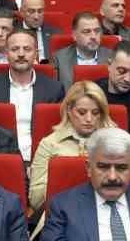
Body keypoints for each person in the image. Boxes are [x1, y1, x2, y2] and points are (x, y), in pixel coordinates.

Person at [29, 80, 117, 216]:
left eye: (95, 113)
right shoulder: (50, 144)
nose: (89, 119)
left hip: (105, 212)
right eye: (82, 112)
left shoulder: (114, 143)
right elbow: (35, 199)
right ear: (69, 110)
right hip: (60, 213)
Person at [0, 29, 65, 161]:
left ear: (36, 53)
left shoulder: (54, 89)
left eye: (27, 49)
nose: (21, 54)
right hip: (0, 158)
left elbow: (59, 132)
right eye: (15, 49)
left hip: (42, 159)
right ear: (6, 53)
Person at [52, 11, 114, 88]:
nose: (93, 36)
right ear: (74, 35)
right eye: (87, 32)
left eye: (97, 31)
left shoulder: (112, 56)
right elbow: (55, 91)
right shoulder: (59, 58)